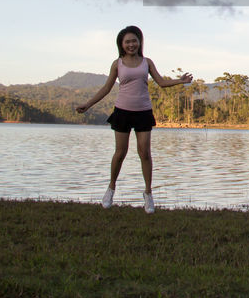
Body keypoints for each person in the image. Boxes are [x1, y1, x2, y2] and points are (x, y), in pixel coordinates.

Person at [76, 25, 191, 213]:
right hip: (122, 111)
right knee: (120, 153)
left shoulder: (147, 62)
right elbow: (106, 88)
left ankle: (148, 195)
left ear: (140, 42)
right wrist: (88, 105)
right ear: (121, 44)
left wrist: (181, 81)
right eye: (127, 41)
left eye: (134, 41)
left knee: (144, 153)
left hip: (143, 112)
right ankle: (111, 189)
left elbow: (161, 82)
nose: (131, 44)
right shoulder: (117, 63)